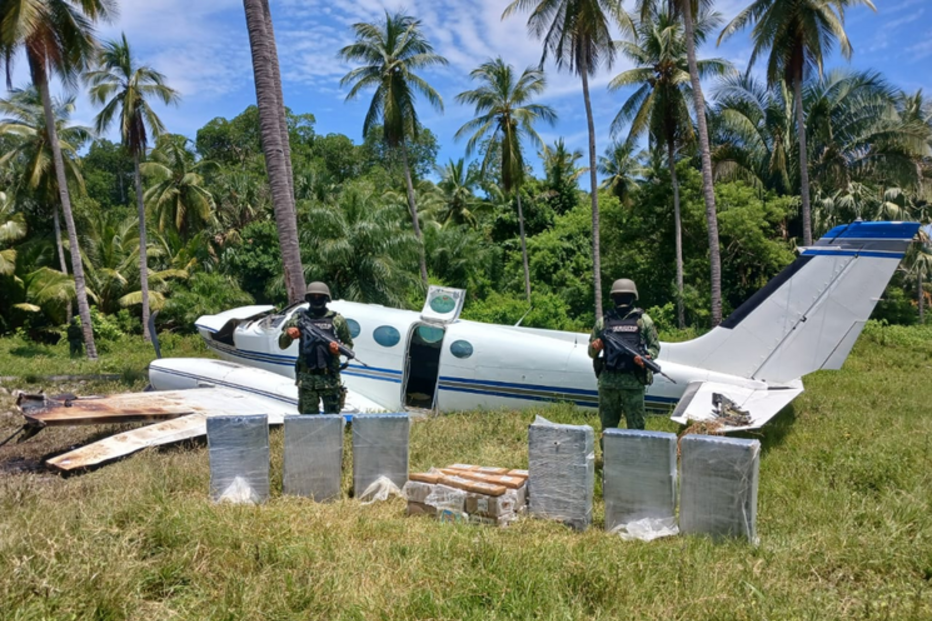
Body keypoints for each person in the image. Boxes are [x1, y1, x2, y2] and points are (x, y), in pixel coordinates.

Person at [588, 278, 660, 436]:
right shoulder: (603, 322)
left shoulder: (643, 321)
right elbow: (590, 352)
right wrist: (596, 347)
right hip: (609, 383)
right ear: (613, 298)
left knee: (636, 428)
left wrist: (647, 357)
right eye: (619, 296)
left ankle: (634, 459)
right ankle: (609, 458)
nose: (622, 300)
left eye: (625, 296)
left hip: (633, 382)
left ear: (633, 297)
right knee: (608, 427)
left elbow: (655, 347)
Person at [278, 282, 354, 415]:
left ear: (327, 299)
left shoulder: (337, 319)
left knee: (333, 420)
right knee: (308, 421)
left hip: (329, 378)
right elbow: (282, 344)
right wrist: (289, 334)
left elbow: (348, 344)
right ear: (308, 299)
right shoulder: (299, 318)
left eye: (320, 297)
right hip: (307, 379)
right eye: (314, 296)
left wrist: (338, 350)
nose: (317, 299)